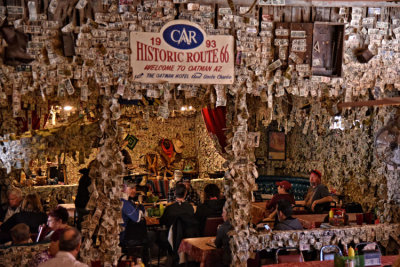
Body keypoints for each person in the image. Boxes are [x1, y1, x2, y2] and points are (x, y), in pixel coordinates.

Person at [75, 160, 95, 230]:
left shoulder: (84, 176)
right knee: (87, 226)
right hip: (86, 204)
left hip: (80, 204)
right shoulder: (91, 178)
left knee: (81, 223)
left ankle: (80, 237)